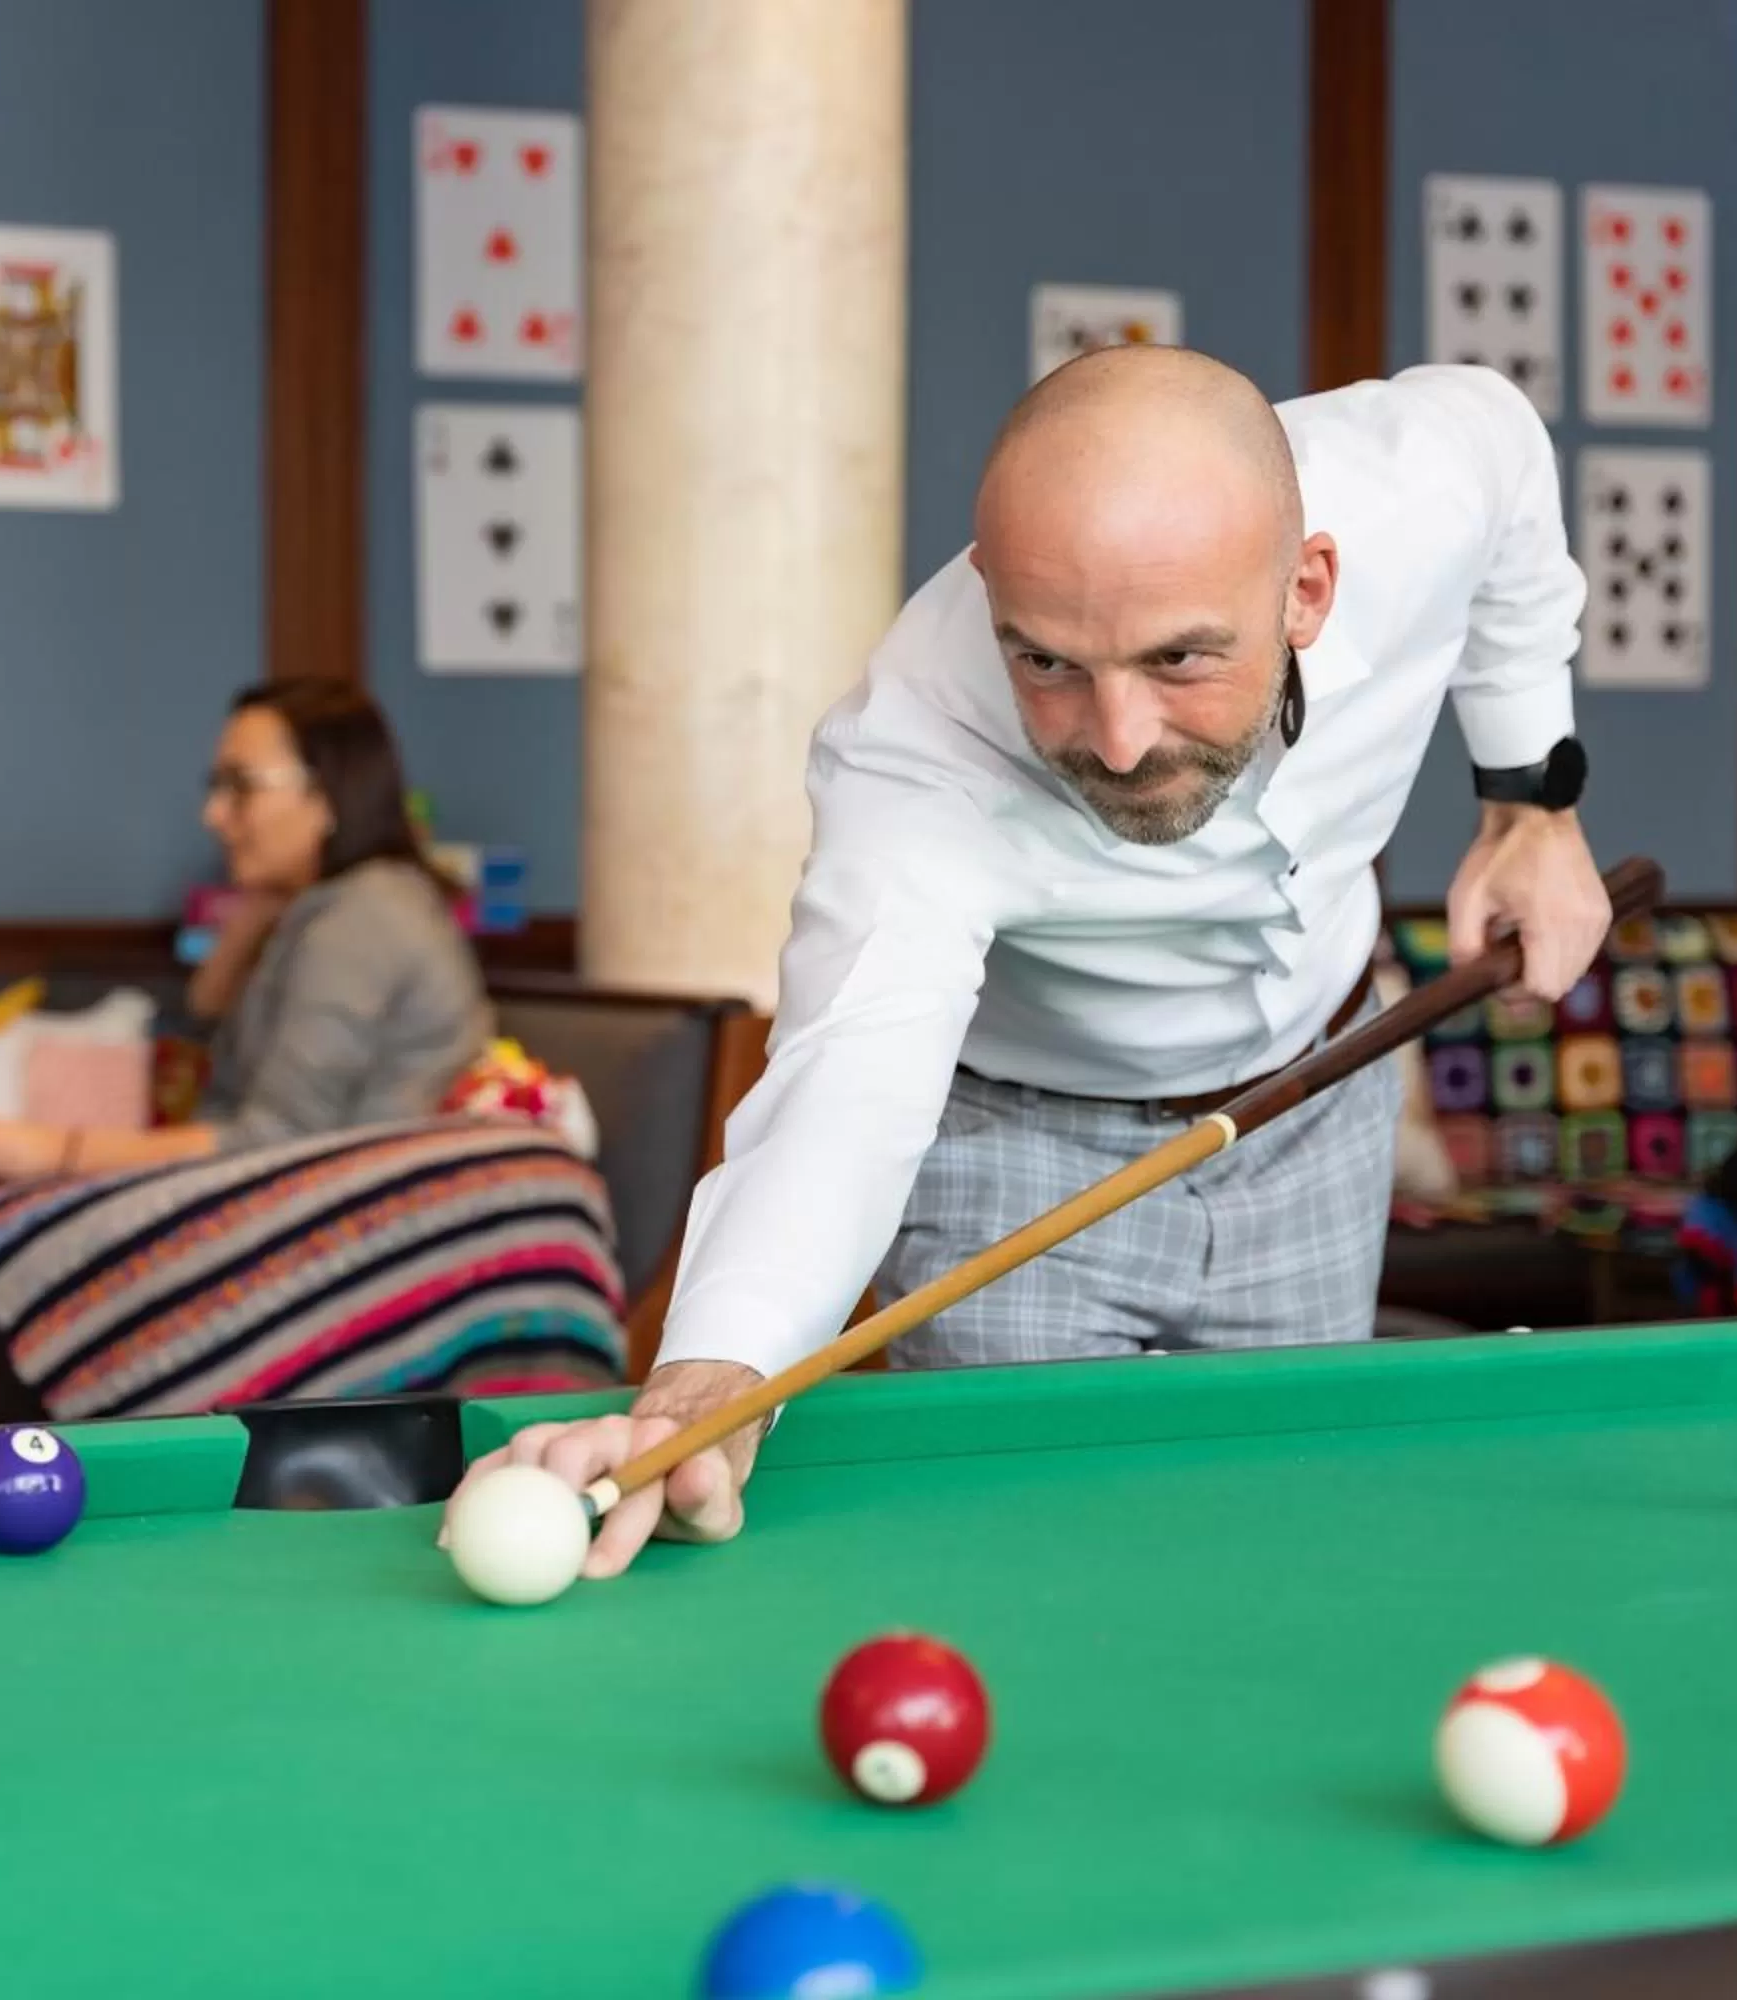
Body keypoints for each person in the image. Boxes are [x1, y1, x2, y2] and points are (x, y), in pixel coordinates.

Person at [459, 348, 1614, 1580]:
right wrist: (709, 1378)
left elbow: (1510, 472)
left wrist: (1529, 801)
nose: (1116, 741)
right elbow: (846, 1083)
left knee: (1287, 1546)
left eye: (1179, 659)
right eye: (1048, 662)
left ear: (1308, 589)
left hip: (1315, 1106)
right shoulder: (916, 751)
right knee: (1030, 1570)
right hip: (1024, 1153)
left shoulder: (1417, 480)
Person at [0, 681, 491, 1178]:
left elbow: (277, 1144)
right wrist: (257, 907)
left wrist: (55, 1153)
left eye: (240, 787)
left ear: (324, 798)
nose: (213, 814)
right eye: (216, 787)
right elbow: (206, 1021)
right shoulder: (328, 906)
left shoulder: (363, 920)